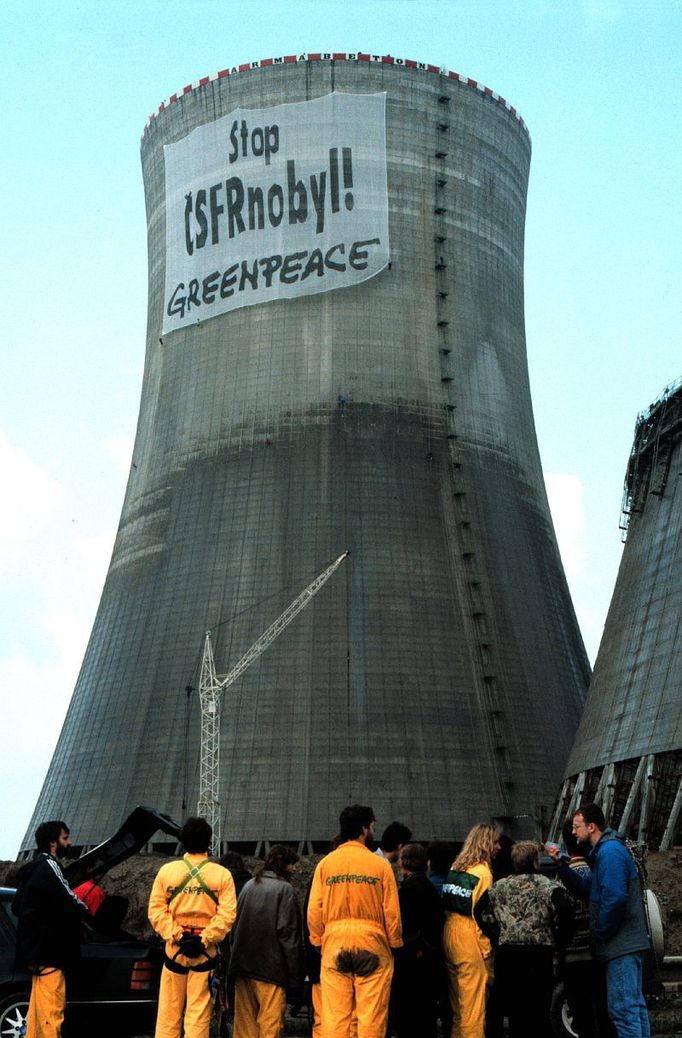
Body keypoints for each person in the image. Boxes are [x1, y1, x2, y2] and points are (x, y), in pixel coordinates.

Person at [547, 803, 651, 1038]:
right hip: (626, 944)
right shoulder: (604, 853)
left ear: (591, 827)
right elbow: (587, 889)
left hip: (620, 946)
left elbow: (614, 899)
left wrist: (600, 932)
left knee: (623, 1012)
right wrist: (561, 865)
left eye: (576, 826)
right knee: (633, 1009)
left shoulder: (609, 853)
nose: (572, 833)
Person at [307, 804, 403, 1038]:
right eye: (372, 826)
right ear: (364, 829)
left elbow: (314, 910)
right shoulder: (380, 865)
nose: (373, 831)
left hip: (335, 944)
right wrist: (395, 943)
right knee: (371, 1016)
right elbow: (391, 911)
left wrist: (318, 940)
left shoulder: (326, 864)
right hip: (372, 943)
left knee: (335, 1017)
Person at [148, 816, 237, 1038]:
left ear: (183, 842)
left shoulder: (167, 872)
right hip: (204, 955)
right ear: (209, 842)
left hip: (175, 953)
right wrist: (204, 939)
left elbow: (156, 911)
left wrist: (177, 935)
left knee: (168, 1015)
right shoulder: (222, 875)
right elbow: (227, 915)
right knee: (198, 1016)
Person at [474, 840, 573, 1038]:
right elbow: (565, 909)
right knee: (538, 1009)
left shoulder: (499, 887)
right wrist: (560, 938)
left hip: (508, 955)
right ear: (535, 861)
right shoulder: (547, 886)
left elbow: (478, 911)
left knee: (515, 1011)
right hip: (538, 954)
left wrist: (495, 934)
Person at [12, 819, 91, 1038]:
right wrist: (87, 914)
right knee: (51, 1013)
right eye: (65, 838)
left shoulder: (32, 869)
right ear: (53, 842)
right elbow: (70, 899)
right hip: (50, 954)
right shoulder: (50, 866)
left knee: (37, 1015)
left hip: (36, 954)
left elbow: (18, 906)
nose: (70, 842)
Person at [228, 844, 304, 1038]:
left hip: (243, 968)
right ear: (283, 865)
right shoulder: (284, 889)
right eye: (292, 864)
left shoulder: (249, 885)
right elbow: (289, 937)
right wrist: (296, 978)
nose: (295, 869)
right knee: (270, 1026)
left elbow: (234, 928)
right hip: (271, 971)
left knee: (244, 1028)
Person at [441, 822, 500, 1038]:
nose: (498, 847)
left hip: (449, 933)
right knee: (474, 1010)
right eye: (495, 842)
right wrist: (486, 952)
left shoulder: (456, 868)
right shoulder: (483, 873)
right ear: (485, 843)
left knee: (459, 1010)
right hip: (469, 937)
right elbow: (481, 917)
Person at [557, 820, 613, 1038]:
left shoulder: (562, 876)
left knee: (582, 1017)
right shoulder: (597, 869)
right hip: (599, 953)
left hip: (574, 957)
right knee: (604, 1012)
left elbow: (559, 916)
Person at [392, 843, 444, 1038]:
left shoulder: (410, 888)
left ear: (404, 863)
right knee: (424, 1013)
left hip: (413, 958)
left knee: (410, 1013)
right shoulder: (426, 885)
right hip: (427, 956)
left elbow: (406, 924)